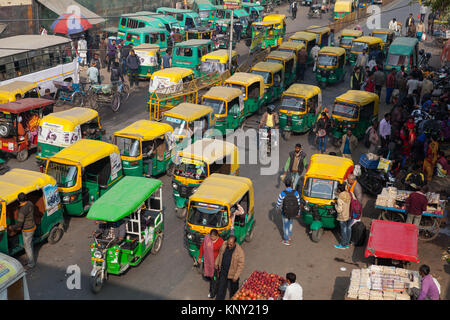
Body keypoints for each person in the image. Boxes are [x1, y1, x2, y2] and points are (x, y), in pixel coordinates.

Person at [7, 193, 36, 269]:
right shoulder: (30, 203)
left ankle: (31, 264)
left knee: (27, 247)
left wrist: (10, 227)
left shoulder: (22, 210)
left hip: (27, 230)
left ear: (19, 200)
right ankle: (30, 260)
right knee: (30, 244)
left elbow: (19, 224)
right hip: (33, 226)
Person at [215, 235, 245, 300]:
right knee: (221, 288)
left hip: (233, 274)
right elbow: (220, 254)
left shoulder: (239, 252)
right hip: (223, 271)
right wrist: (216, 263)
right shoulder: (224, 244)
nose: (229, 245)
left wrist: (236, 276)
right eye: (228, 243)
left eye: (231, 244)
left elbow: (241, 265)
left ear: (235, 243)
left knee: (234, 291)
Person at [197, 229, 224, 299]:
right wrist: (200, 257)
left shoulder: (221, 242)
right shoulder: (207, 239)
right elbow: (202, 247)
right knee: (211, 276)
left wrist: (218, 263)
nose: (211, 238)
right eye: (211, 236)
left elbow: (222, 253)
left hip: (215, 264)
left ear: (217, 236)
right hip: (207, 261)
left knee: (214, 279)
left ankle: (213, 293)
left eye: (213, 237)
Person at [276, 178, 301, 246]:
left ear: (285, 185)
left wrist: (277, 209)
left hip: (285, 212)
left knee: (285, 225)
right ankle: (289, 236)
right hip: (293, 211)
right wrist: (298, 212)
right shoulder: (296, 192)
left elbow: (278, 203)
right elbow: (298, 203)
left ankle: (286, 240)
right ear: (291, 184)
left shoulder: (282, 193)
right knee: (290, 223)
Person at [334, 183, 352, 249]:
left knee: (343, 230)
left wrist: (335, 205)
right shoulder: (348, 194)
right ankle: (347, 243)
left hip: (342, 217)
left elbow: (339, 210)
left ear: (339, 190)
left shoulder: (340, 199)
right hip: (348, 215)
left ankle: (343, 245)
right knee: (348, 229)